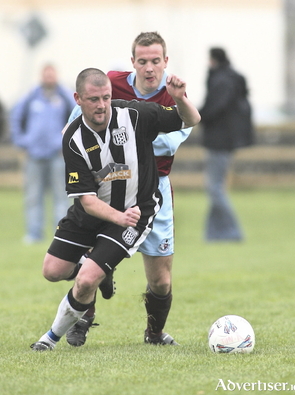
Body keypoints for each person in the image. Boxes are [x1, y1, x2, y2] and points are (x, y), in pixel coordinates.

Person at [30, 68, 200, 351]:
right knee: (52, 270)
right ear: (78, 99)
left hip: (135, 212)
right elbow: (86, 200)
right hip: (95, 211)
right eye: (93, 99)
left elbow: (191, 119)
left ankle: (49, 339)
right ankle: (99, 268)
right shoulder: (72, 138)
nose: (101, 105)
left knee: (86, 281)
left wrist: (180, 99)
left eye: (106, 98)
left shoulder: (135, 115)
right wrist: (118, 216)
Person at [65, 32, 193, 347]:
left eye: (155, 61)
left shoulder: (175, 98)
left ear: (166, 62)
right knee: (89, 262)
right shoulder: (111, 85)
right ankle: (83, 319)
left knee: (160, 280)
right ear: (132, 61)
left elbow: (166, 143)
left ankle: (154, 333)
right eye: (142, 61)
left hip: (154, 189)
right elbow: (76, 122)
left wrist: (118, 132)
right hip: (109, 181)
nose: (149, 68)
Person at [10, 64, 75, 243]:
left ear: (56, 75)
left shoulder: (64, 96)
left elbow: (76, 118)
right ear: (41, 76)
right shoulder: (31, 96)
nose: (49, 77)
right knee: (33, 196)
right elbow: (15, 117)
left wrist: (67, 144)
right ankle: (33, 234)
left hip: (58, 155)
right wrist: (23, 142)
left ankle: (60, 234)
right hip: (34, 155)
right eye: (46, 74)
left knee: (61, 196)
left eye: (51, 73)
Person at [198, 47, 254, 242]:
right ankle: (213, 233)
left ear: (213, 59)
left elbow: (214, 108)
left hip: (219, 140)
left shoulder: (221, 80)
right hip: (228, 140)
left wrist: (197, 116)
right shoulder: (232, 78)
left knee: (215, 188)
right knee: (216, 187)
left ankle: (233, 232)